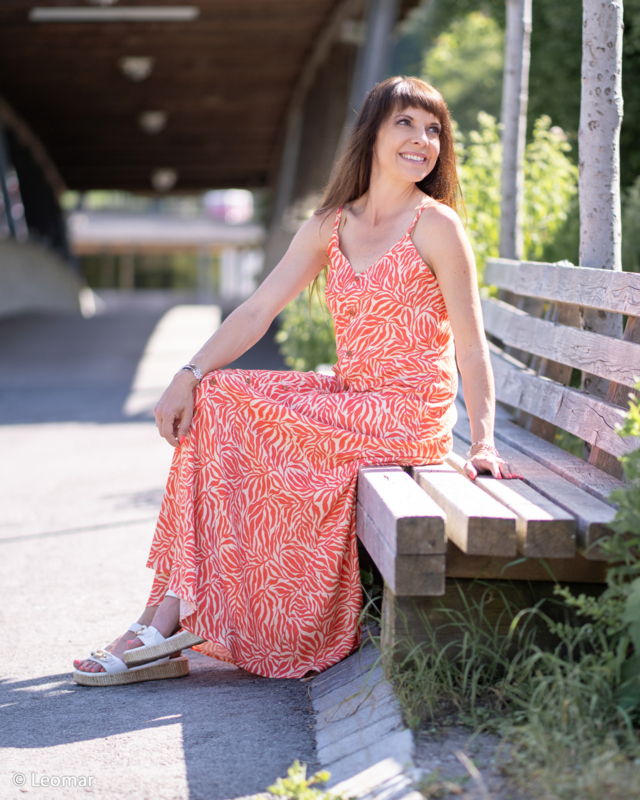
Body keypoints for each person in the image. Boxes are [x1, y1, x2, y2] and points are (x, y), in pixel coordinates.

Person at [73, 76, 523, 686]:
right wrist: (187, 374)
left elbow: (471, 346)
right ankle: (171, 615)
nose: (423, 140)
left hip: (407, 414)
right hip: (350, 399)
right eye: (406, 124)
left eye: (434, 129)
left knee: (235, 414)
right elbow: (257, 310)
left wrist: (485, 441)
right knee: (217, 394)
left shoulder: (436, 225)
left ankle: (165, 622)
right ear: (371, 134)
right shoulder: (329, 226)